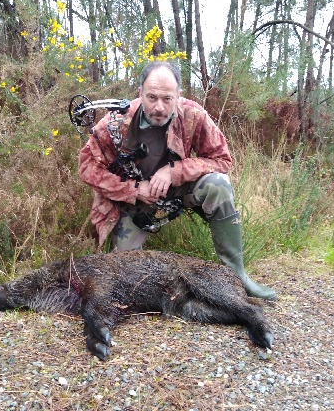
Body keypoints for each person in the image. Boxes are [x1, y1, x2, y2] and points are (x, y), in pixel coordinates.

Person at [78, 61, 276, 300]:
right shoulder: (117, 121)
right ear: (140, 93)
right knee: (123, 282)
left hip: (176, 192)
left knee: (218, 185)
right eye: (151, 97)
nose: (159, 107)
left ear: (178, 95)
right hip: (133, 203)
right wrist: (134, 190)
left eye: (167, 98)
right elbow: (87, 167)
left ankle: (237, 277)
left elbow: (222, 160)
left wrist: (174, 171)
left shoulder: (192, 114)